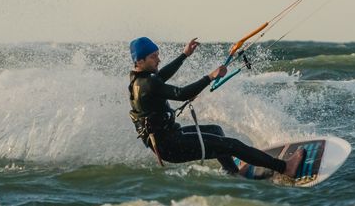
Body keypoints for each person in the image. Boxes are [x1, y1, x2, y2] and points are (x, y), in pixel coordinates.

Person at [127, 36, 304, 178]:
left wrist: (184, 55)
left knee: (216, 130)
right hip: (171, 146)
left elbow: (162, 74)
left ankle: (233, 172)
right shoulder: (148, 84)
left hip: (169, 138)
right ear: (140, 61)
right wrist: (210, 77)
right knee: (231, 145)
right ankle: (285, 167)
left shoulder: (139, 79)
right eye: (153, 57)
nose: (158, 60)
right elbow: (181, 94)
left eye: (158, 54)